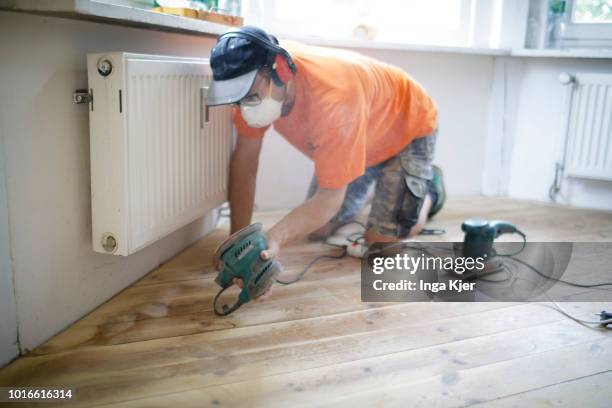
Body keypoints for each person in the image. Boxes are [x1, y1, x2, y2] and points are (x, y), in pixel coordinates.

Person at [207, 26, 445, 295]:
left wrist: (272, 238)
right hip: (358, 141)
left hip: (407, 128)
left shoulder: (334, 98)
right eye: (237, 101)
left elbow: (327, 200)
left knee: (381, 248)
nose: (244, 109)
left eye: (251, 97)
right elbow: (245, 163)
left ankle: (429, 190)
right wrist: (239, 242)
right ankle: (376, 189)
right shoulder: (251, 83)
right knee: (318, 230)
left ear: (282, 71)